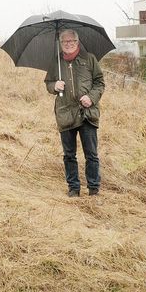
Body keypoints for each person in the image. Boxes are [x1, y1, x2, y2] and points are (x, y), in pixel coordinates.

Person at [45, 29, 105, 197]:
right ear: (60, 44)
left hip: (87, 113)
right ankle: (73, 188)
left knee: (91, 154)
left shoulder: (89, 59)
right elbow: (48, 83)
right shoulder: (56, 62)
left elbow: (100, 83)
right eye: (65, 41)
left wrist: (91, 98)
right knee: (69, 155)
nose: (69, 44)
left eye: (72, 41)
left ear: (77, 42)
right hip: (65, 113)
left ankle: (93, 189)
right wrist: (54, 86)